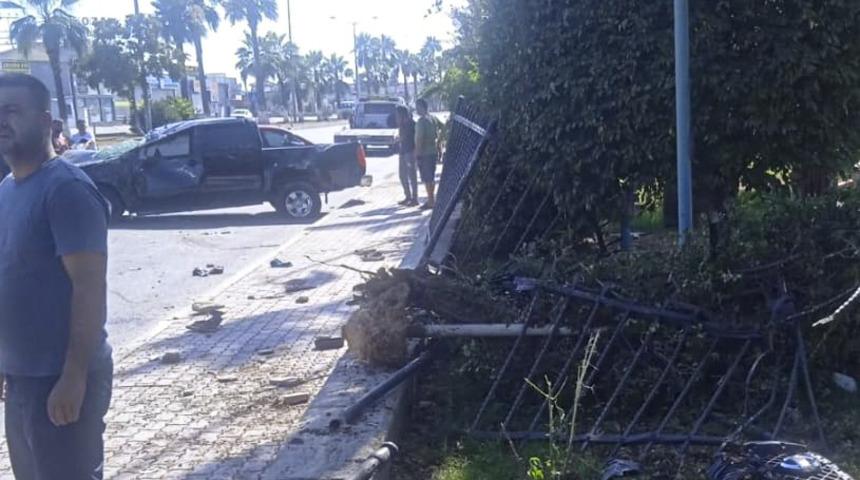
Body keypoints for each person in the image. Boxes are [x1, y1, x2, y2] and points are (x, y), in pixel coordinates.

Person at [0, 73, 113, 479]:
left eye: (12, 110)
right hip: (23, 379)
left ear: (46, 123)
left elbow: (88, 287)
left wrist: (74, 375)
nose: (2, 121)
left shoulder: (66, 190)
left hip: (60, 378)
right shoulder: (7, 190)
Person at [415, 98, 440, 210]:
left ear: (422, 107)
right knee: (431, 176)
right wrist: (438, 143)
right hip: (433, 151)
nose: (416, 110)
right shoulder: (433, 118)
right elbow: (442, 129)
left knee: (426, 177)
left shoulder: (422, 121)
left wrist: (417, 154)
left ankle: (430, 200)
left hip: (425, 152)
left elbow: (419, 139)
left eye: (417, 107)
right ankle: (431, 199)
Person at [396, 105, 418, 206]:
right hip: (402, 151)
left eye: (398, 114)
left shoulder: (411, 123)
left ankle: (414, 198)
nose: (396, 116)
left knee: (412, 176)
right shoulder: (402, 124)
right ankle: (408, 196)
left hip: (410, 151)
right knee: (402, 175)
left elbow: (414, 138)